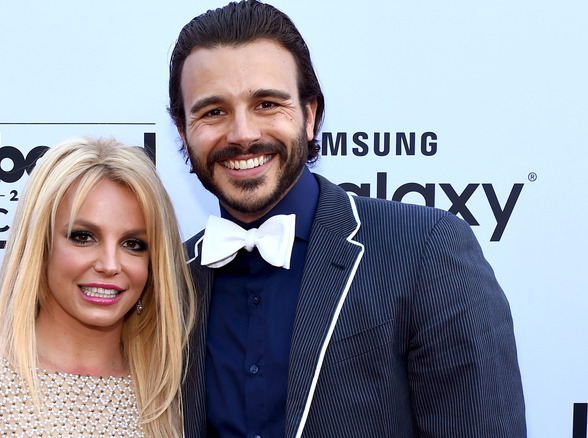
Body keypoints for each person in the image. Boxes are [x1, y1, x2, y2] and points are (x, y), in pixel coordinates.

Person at [168, 1, 526, 437]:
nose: (242, 133)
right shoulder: (169, 282)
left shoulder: (425, 249)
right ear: (183, 132)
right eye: (213, 111)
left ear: (310, 115)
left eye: (266, 103)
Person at [0, 137, 194, 438]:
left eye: (133, 244)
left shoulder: (173, 395)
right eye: (83, 237)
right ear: (40, 246)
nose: (110, 264)